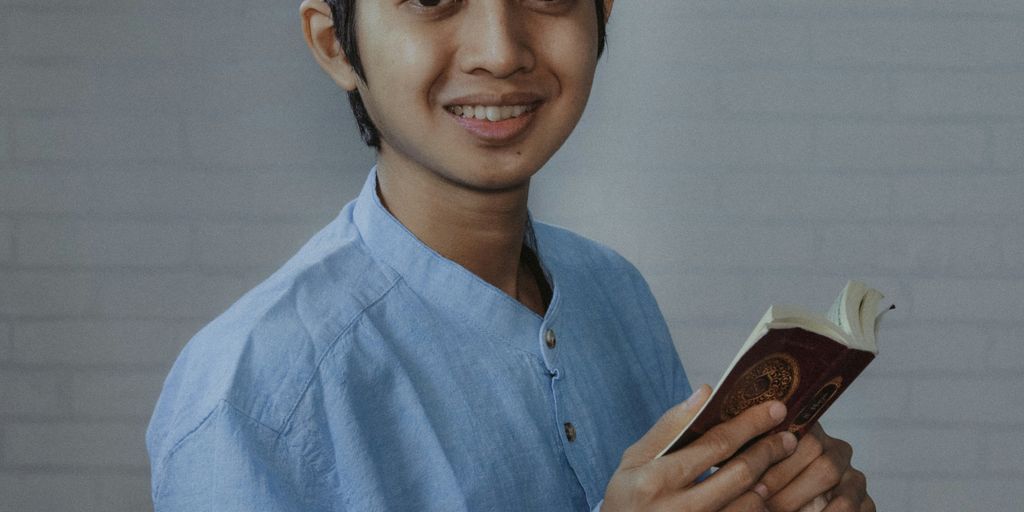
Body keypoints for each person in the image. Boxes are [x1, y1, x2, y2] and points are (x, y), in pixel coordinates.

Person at [146, 1, 874, 510]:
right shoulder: (250, 396)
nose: (500, 49)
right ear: (337, 43)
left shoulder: (613, 292)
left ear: (603, 14)